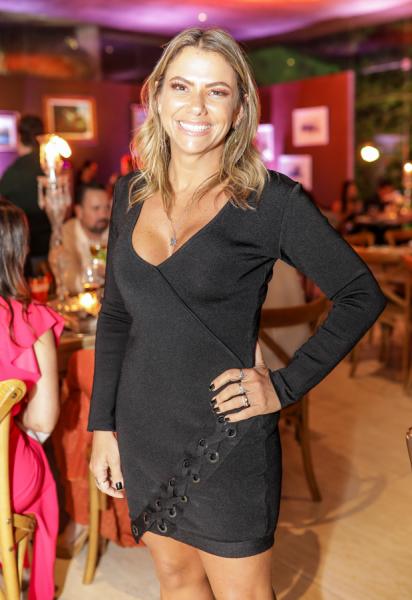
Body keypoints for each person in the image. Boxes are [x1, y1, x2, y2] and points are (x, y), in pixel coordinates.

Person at [87, 27, 387, 599]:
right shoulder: (129, 194)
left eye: (217, 91)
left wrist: (285, 386)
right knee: (176, 582)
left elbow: (360, 294)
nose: (197, 106)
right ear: (156, 96)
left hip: (226, 434)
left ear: (240, 108)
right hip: (145, 429)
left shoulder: (270, 201)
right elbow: (117, 315)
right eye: (182, 86)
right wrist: (103, 426)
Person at [0, 199, 64, 600]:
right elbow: (43, 421)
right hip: (7, 480)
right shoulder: (32, 319)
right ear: (17, 251)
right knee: (35, 465)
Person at [0, 115, 51, 275]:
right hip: (51, 241)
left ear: (19, 136)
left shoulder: (15, 171)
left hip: (22, 246)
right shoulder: (50, 165)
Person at [50, 182, 111, 294]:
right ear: (79, 211)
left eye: (107, 207)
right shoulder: (66, 233)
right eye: (96, 208)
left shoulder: (116, 230)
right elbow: (69, 282)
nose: (103, 215)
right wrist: (97, 274)